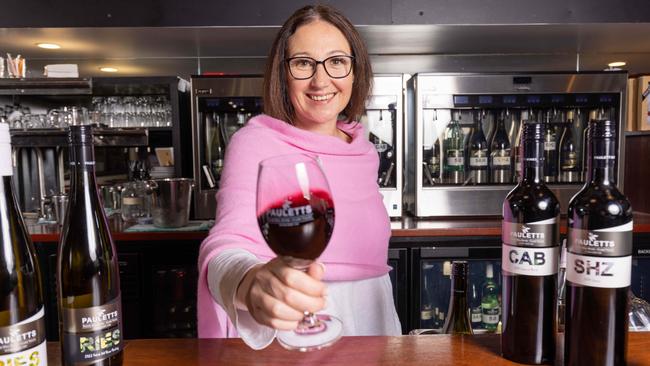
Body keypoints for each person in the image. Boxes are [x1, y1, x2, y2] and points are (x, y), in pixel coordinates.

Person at [197, 4, 401, 349]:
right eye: (304, 63)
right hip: (292, 337)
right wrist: (250, 283)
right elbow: (225, 246)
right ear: (283, 74)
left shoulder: (363, 150)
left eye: (336, 61)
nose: (321, 80)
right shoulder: (255, 142)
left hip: (374, 326)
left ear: (354, 70)